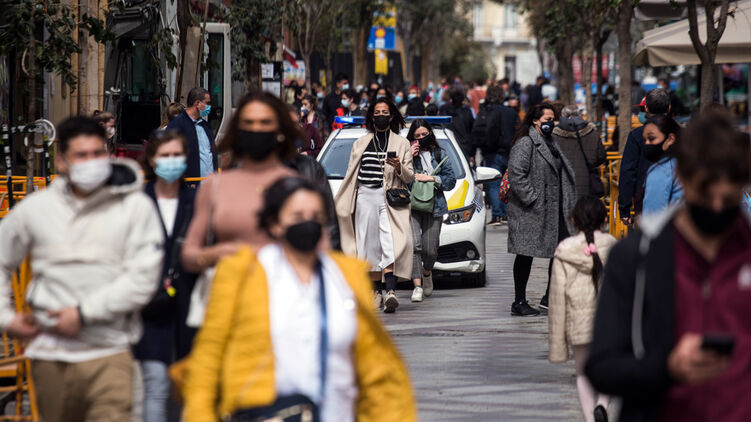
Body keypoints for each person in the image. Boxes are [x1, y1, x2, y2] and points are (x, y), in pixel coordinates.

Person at [183, 177, 416, 422]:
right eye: (297, 216)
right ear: (274, 223)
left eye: (316, 217)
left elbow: (377, 369)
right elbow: (207, 360)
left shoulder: (347, 276)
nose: (308, 223)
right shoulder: (241, 274)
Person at [585, 111, 751, 422]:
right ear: (683, 179)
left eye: (728, 198)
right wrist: (666, 367)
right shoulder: (636, 256)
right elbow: (602, 366)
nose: (717, 206)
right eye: (706, 195)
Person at [0, 116, 164, 422]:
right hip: (50, 356)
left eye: (97, 153)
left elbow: (143, 278)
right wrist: (7, 319)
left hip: (111, 352)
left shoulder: (134, 207)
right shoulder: (36, 209)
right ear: (62, 161)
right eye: (81, 155)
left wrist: (83, 314)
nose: (91, 163)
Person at [181, 91, 299, 274]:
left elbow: (321, 255)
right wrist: (217, 254)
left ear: (279, 130)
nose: (256, 129)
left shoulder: (297, 185)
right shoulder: (215, 186)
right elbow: (188, 253)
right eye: (248, 123)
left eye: (265, 122)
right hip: (228, 285)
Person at [134, 130, 198, 422]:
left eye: (177, 155)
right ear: (152, 160)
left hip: (189, 303)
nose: (171, 161)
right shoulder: (138, 201)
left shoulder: (196, 201)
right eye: (165, 155)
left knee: (185, 385)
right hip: (149, 304)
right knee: (156, 383)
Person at [335, 97, 414, 314]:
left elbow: (409, 177)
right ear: (371, 116)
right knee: (368, 245)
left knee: (392, 242)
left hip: (389, 197)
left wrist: (398, 167)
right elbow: (352, 174)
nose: (381, 116)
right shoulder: (360, 143)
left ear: (392, 116)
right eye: (377, 112)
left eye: (384, 112)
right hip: (364, 196)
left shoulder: (402, 143)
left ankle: (391, 291)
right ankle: (375, 292)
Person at [549, 196, 616, 422]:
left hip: (578, 321)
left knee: (583, 374)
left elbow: (557, 299)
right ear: (603, 220)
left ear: (574, 220)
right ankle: (602, 405)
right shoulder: (613, 245)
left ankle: (590, 418)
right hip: (609, 321)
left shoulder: (565, 250)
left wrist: (557, 344)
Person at [507, 103, 576, 316]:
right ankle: (519, 301)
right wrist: (532, 199)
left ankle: (549, 297)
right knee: (525, 255)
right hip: (531, 210)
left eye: (553, 119)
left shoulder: (551, 142)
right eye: (547, 119)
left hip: (554, 209)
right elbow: (516, 174)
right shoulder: (525, 143)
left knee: (558, 251)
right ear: (535, 120)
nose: (551, 123)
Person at [406, 120, 456, 302]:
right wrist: (408, 156)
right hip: (412, 205)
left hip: (435, 205)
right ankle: (417, 286)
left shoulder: (440, 154)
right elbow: (399, 177)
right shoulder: (408, 154)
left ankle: (427, 272)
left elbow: (450, 181)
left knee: (430, 249)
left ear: (430, 134)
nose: (421, 138)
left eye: (424, 135)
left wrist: (432, 179)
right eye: (417, 136)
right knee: (414, 245)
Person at [618, 88, 671, 224]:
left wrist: (624, 208)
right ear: (669, 108)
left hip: (644, 200)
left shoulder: (636, 136)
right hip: (676, 201)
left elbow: (628, 171)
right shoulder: (681, 134)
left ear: (646, 108)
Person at [476, 85, 519, 225]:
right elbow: (518, 130)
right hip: (509, 151)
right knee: (508, 182)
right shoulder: (511, 112)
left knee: (494, 184)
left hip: (491, 151)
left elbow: (478, 131)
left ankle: (496, 215)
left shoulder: (486, 111)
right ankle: (506, 213)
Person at [553, 105, 606, 200]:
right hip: (586, 182)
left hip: (561, 183)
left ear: (563, 115)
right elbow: (601, 156)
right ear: (579, 115)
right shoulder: (592, 134)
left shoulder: (553, 136)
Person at [166, 87, 218, 178]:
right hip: (190, 183)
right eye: (207, 103)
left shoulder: (206, 126)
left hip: (209, 182)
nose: (209, 106)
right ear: (197, 103)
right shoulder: (177, 125)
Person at [641, 114, 683, 215]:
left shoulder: (661, 171)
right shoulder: (689, 164)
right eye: (644, 140)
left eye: (651, 138)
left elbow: (652, 217)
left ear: (670, 139)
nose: (647, 144)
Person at [439, 87, 475, 160]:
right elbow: (472, 130)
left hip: (448, 145)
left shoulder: (444, 109)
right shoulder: (467, 110)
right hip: (464, 147)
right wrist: (472, 152)